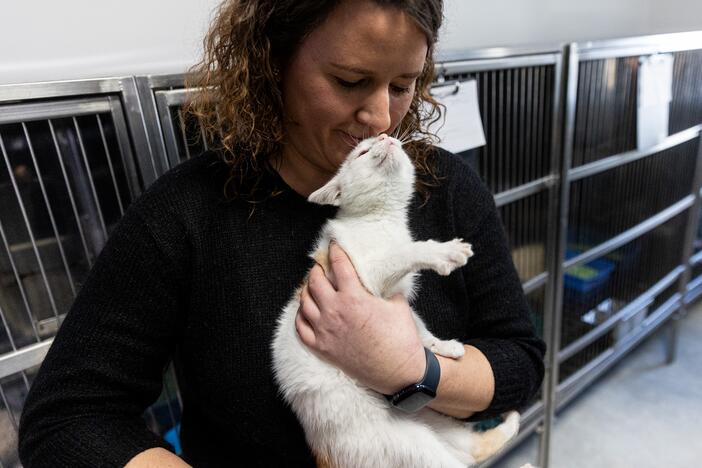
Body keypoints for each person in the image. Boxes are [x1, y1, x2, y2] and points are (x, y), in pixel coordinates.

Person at [18, 0, 546, 466]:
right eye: (349, 81)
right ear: (272, 63)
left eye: (403, 86)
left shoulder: (448, 187)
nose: (382, 118)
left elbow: (519, 365)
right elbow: (67, 417)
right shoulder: (186, 213)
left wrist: (412, 370)